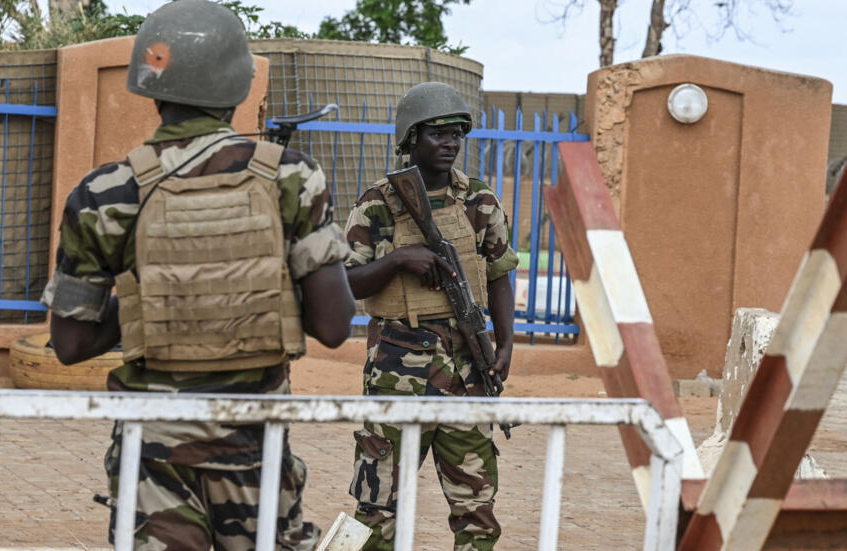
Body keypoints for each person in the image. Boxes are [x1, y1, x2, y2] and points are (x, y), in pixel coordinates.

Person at [39, 1, 355, 549]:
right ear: (239, 86)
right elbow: (333, 325)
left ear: (149, 82)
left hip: (152, 458)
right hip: (255, 453)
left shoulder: (104, 193)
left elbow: (69, 342)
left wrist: (155, 299)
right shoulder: (292, 177)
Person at [343, 81, 519, 550]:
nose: (450, 143)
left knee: (477, 511)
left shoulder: (479, 200)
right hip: (397, 371)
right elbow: (344, 283)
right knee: (376, 506)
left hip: (466, 371)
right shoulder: (378, 202)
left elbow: (500, 273)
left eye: (457, 134)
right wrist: (399, 260)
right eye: (437, 134)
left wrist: (505, 344)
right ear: (411, 139)